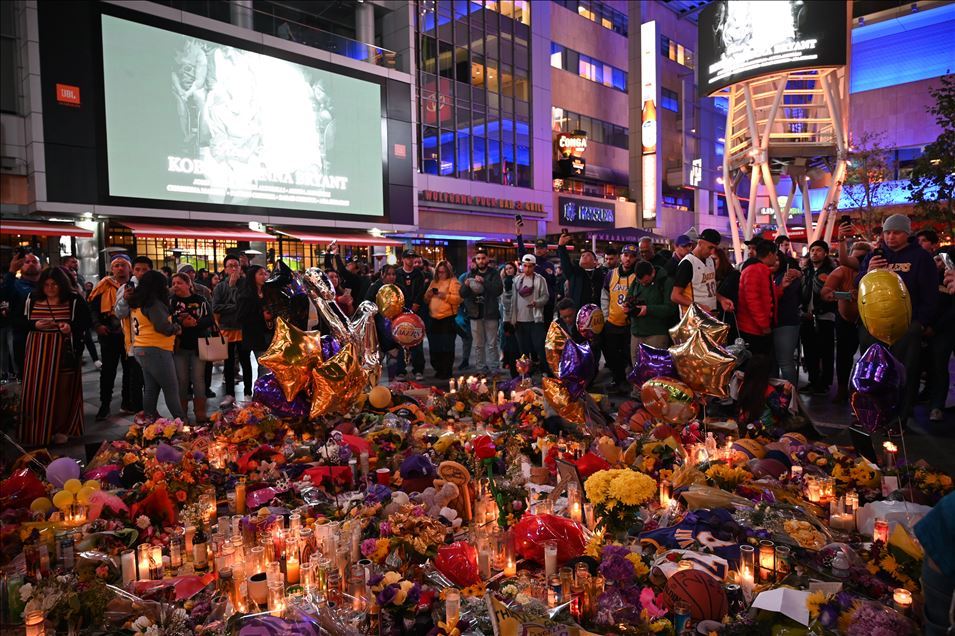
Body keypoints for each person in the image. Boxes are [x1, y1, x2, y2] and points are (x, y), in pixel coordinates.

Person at [856, 214, 939, 425]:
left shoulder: (920, 257)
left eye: (896, 232)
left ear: (907, 234)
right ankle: (872, 411)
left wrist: (921, 323)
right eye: (887, 232)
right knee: (872, 368)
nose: (891, 237)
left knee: (904, 371)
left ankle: (900, 415)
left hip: (907, 325)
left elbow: (930, 294)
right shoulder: (875, 255)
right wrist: (868, 270)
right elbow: (859, 284)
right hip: (875, 325)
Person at [18, 267, 90, 446]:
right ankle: (38, 430)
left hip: (64, 352)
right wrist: (35, 325)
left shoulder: (74, 300)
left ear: (62, 285)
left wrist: (70, 327)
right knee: (37, 391)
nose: (50, 288)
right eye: (47, 285)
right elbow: (18, 322)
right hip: (37, 353)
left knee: (63, 392)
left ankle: (61, 429)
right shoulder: (32, 299)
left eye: (54, 285)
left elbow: (85, 322)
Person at [88, 253, 143, 419]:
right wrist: (97, 325)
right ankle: (104, 405)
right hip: (109, 333)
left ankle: (127, 403)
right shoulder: (103, 285)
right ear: (111, 268)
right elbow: (92, 308)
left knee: (130, 371)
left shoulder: (135, 285)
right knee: (108, 372)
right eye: (116, 265)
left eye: (123, 265)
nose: (120, 268)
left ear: (129, 268)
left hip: (130, 334)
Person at [128, 270, 187, 421]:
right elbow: (163, 327)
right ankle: (183, 424)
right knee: (171, 389)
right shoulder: (153, 303)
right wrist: (176, 328)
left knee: (151, 389)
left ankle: (149, 422)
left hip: (141, 348)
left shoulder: (138, 301)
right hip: (156, 349)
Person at [820, 241, 870, 403]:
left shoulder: (874, 270)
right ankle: (842, 388)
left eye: (862, 258)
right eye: (856, 257)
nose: (858, 262)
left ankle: (865, 390)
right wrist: (843, 295)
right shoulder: (841, 271)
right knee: (843, 356)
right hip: (846, 318)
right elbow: (826, 293)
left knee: (869, 356)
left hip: (869, 320)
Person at [737, 241, 799, 357]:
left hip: (755, 327)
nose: (776, 258)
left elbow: (766, 295)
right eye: (776, 255)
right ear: (770, 254)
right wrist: (764, 325)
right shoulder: (755, 270)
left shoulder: (760, 269)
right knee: (757, 364)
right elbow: (753, 301)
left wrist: (780, 288)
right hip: (753, 329)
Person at [170, 273, 213, 423]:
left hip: (198, 346)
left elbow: (210, 319)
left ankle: (200, 412)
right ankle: (182, 415)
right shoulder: (171, 302)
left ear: (189, 284)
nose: (176, 285)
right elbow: (168, 320)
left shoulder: (200, 300)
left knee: (198, 379)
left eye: (179, 283)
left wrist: (195, 323)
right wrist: (181, 324)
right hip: (179, 346)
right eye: (173, 283)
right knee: (181, 380)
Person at [213, 254, 253, 403]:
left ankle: (248, 392)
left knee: (246, 362)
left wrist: (231, 307)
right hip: (226, 329)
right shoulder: (220, 287)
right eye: (230, 265)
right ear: (225, 269)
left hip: (243, 329)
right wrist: (231, 287)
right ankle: (229, 394)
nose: (234, 268)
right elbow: (216, 307)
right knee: (228, 364)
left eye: (236, 265)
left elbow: (246, 305)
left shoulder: (247, 285)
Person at [799, 239, 837, 396]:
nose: (814, 252)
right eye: (812, 250)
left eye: (819, 250)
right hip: (807, 317)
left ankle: (824, 383)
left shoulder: (832, 272)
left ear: (826, 253)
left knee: (825, 351)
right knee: (809, 351)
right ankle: (813, 381)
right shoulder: (806, 271)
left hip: (825, 317)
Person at [601, 244, 639, 393]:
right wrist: (605, 316)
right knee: (611, 355)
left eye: (632, 256)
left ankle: (630, 382)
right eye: (626, 255)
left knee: (629, 355)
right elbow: (604, 296)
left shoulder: (637, 275)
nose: (628, 258)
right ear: (621, 256)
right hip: (612, 322)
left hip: (629, 324)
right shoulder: (611, 274)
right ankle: (617, 380)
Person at [460, 248, 504, 374]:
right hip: (475, 313)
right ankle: (480, 368)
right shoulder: (470, 274)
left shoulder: (494, 273)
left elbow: (498, 290)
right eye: (478, 258)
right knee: (478, 344)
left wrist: (484, 282)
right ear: (476, 260)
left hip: (490, 313)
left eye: (483, 258)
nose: (481, 261)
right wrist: (466, 285)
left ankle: (495, 368)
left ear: (487, 259)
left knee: (492, 344)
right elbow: (462, 294)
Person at [671, 229, 734, 315]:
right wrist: (698, 306)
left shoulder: (710, 260)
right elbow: (675, 296)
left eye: (714, 248)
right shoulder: (687, 263)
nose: (712, 252)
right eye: (710, 247)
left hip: (709, 315)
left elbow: (708, 289)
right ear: (700, 243)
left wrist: (721, 299)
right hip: (693, 320)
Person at [626, 260, 677, 360]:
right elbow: (629, 297)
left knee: (655, 369)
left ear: (653, 272)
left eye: (646, 282)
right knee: (636, 368)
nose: (643, 284)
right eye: (640, 282)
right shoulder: (636, 281)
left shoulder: (666, 282)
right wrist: (627, 305)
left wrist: (648, 309)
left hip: (656, 334)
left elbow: (670, 308)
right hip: (636, 332)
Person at [177, 263, 214, 398]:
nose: (191, 274)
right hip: (181, 340)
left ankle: (206, 390)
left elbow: (210, 314)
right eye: (186, 272)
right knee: (183, 373)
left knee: (204, 368)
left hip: (202, 335)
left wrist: (196, 323)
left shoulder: (203, 291)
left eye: (192, 271)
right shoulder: (172, 295)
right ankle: (186, 393)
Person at [508, 254, 550, 373]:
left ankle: (545, 371)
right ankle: (525, 374)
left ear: (534, 266)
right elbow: (511, 300)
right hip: (519, 320)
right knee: (523, 350)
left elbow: (546, 296)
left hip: (535, 319)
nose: (527, 269)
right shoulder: (516, 279)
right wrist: (511, 318)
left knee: (540, 347)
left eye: (530, 266)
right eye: (525, 266)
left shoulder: (540, 279)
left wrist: (536, 303)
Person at [1, 251, 41, 375]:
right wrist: (12, 271)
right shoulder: (16, 285)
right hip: (24, 339)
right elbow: (4, 295)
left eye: (34, 261)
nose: (31, 264)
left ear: (40, 265)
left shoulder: (47, 285)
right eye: (27, 262)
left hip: (46, 336)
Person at [424, 260, 461, 379]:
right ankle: (438, 369)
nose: (441, 274)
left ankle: (446, 371)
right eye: (439, 272)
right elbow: (425, 299)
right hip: (433, 319)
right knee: (435, 346)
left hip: (447, 319)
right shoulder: (434, 282)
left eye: (443, 272)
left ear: (448, 271)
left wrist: (445, 296)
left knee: (447, 346)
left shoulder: (453, 282)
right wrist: (429, 295)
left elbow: (459, 299)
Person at [237, 265, 275, 379]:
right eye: (260, 274)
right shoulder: (246, 295)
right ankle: (260, 393)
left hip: (268, 333)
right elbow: (241, 316)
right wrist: (261, 315)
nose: (264, 276)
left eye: (265, 274)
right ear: (253, 277)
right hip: (255, 335)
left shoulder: (268, 293)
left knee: (266, 366)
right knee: (263, 365)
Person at [394, 249, 426, 380]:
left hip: (416, 311)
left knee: (416, 340)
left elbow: (422, 290)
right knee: (399, 339)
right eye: (408, 257)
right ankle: (400, 370)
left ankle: (418, 369)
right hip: (400, 310)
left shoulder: (419, 274)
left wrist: (416, 304)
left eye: (412, 258)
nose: (410, 260)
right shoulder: (397, 273)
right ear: (403, 259)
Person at [773, 250, 803, 385]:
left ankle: (791, 397)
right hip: (773, 322)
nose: (774, 262)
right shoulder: (769, 275)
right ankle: (775, 396)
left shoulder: (789, 275)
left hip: (786, 322)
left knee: (785, 362)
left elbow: (786, 297)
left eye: (777, 259)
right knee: (774, 361)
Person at [516, 232, 557, 325]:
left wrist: (544, 272)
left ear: (546, 249)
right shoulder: (530, 262)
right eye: (537, 247)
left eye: (541, 248)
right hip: (530, 300)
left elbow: (552, 282)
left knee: (546, 328)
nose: (539, 250)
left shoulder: (549, 264)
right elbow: (522, 252)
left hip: (546, 302)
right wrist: (519, 236)